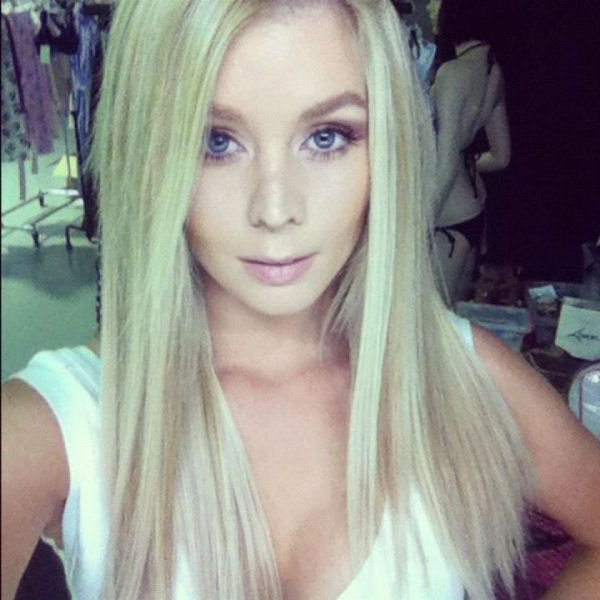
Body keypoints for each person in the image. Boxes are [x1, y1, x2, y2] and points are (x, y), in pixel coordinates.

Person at [2, 1, 599, 599]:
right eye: (216, 141)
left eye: (326, 137)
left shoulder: (463, 376)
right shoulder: (49, 428)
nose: (276, 208)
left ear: (385, 146)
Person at [429, 0, 512, 303]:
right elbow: (501, 157)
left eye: (437, 2)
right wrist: (468, 161)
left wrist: (418, 227)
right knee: (451, 317)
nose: (431, 8)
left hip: (445, 218)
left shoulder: (452, 73)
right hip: (471, 211)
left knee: (432, 318)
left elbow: (445, 164)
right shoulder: (492, 69)